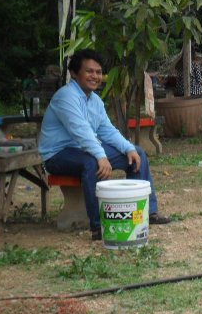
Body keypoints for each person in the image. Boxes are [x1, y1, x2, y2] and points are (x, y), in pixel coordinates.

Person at [39, 49, 170, 241]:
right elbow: (81, 131)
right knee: (92, 163)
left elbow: (107, 131)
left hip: (83, 150)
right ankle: (99, 226)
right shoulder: (66, 96)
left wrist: (129, 148)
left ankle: (147, 212)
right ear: (75, 73)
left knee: (138, 155)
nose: (95, 76)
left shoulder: (95, 101)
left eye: (98, 72)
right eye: (89, 71)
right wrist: (101, 156)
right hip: (57, 155)